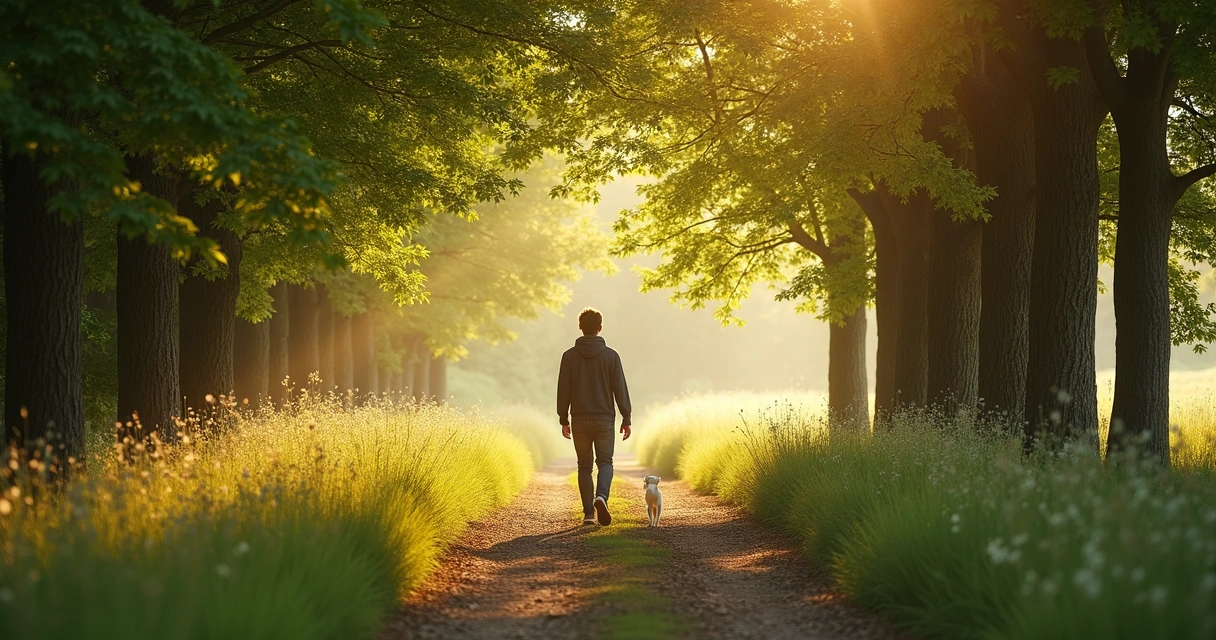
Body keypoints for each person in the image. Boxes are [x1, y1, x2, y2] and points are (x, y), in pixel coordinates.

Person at [557, 307, 632, 526]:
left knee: (584, 466)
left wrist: (564, 419)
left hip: (579, 419)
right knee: (605, 462)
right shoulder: (611, 356)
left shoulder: (569, 356)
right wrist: (626, 417)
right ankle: (601, 497)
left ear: (580, 327)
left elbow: (563, 390)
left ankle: (589, 514)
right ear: (600, 327)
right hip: (604, 419)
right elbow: (620, 388)